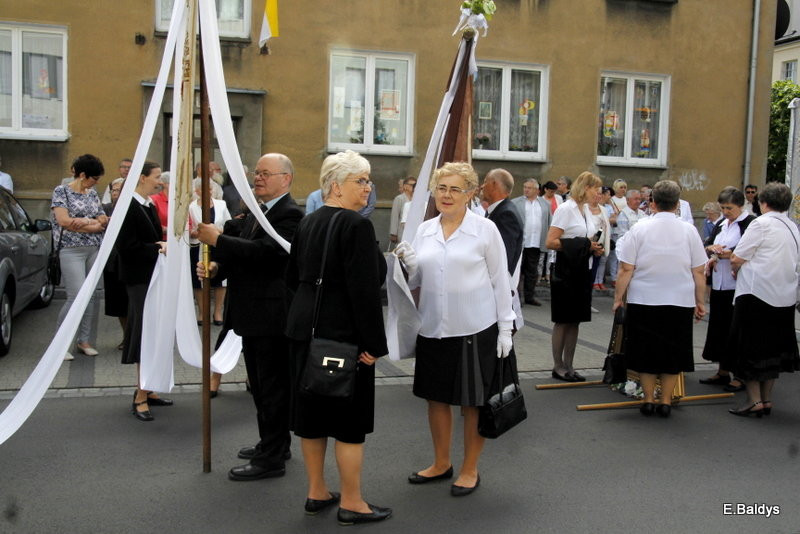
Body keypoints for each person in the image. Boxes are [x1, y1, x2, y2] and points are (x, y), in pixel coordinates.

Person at [394, 161, 516, 499]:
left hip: (475, 327)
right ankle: (441, 462)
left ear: (471, 193)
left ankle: (469, 468)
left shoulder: (485, 230)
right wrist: (410, 265)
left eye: (455, 189)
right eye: (441, 188)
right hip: (433, 326)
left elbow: (499, 279)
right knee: (436, 398)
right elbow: (418, 281)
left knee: (472, 403)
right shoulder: (425, 229)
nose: (447, 195)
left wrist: (506, 329)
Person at [284, 150, 391, 524]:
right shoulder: (356, 226)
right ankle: (352, 502)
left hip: (304, 329)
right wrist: (375, 345)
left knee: (310, 415)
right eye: (360, 181)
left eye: (368, 180)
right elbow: (365, 292)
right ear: (335, 185)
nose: (368, 188)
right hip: (343, 335)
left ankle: (316, 491)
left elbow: (292, 278)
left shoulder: (308, 221)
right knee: (350, 422)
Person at [197, 153, 302, 478]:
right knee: (260, 385)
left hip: (272, 315)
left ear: (285, 178)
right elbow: (241, 253)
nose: (258, 178)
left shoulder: (291, 215)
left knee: (271, 387)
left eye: (265, 174)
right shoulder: (258, 211)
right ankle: (274, 443)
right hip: (252, 313)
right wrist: (216, 266)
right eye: (256, 173)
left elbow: (267, 255)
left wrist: (219, 240)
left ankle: (270, 458)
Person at [612, 180, 707, 417]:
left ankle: (647, 398)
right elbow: (698, 270)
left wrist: (618, 298)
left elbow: (626, 268)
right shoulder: (689, 230)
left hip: (645, 298)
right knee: (673, 351)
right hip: (679, 299)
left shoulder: (640, 228)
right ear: (677, 204)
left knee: (646, 351)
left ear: (652, 202)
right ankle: (665, 400)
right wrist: (701, 301)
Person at [728, 182, 800, 417]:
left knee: (749, 348)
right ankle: (766, 399)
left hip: (756, 294)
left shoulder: (761, 223)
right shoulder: (792, 226)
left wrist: (735, 266)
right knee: (772, 352)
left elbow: (738, 256)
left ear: (763, 202)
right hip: (783, 296)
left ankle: (754, 400)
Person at [117, 161, 172, 421]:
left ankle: (149, 389)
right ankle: (140, 396)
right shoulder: (128, 205)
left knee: (153, 331)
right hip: (139, 279)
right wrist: (158, 247)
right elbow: (128, 247)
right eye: (157, 176)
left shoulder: (147, 204)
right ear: (141, 178)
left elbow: (150, 236)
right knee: (143, 333)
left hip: (152, 277)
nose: (160, 181)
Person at [545, 172, 604, 381]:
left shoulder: (586, 209)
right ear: (584, 187)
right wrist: (584, 244)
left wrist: (593, 247)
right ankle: (557, 365)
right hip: (565, 270)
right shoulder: (565, 209)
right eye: (595, 189)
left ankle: (570, 364)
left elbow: (584, 239)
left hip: (582, 267)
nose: (598, 193)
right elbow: (550, 242)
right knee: (563, 319)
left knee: (576, 320)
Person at [51, 154, 109, 361]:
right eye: (94, 178)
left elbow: (102, 220)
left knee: (91, 296)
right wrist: (91, 223)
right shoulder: (61, 191)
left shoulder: (92, 194)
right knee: (75, 296)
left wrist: (85, 223)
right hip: (71, 249)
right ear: (83, 175)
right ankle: (60, 343)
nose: (96, 183)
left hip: (93, 248)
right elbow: (63, 220)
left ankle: (83, 340)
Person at [699, 187, 755, 392]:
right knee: (719, 326)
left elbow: (746, 250)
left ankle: (740, 374)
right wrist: (711, 249)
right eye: (722, 207)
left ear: (740, 206)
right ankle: (722, 370)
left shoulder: (750, 223)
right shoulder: (722, 223)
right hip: (719, 282)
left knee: (736, 329)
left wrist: (726, 253)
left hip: (738, 284)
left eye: (729, 208)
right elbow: (708, 243)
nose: (725, 212)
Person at [188, 178, 231, 327]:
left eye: (210, 189)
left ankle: (218, 311)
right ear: (197, 191)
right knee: (199, 279)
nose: (209, 191)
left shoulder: (221, 204)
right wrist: (193, 232)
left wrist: (217, 230)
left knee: (221, 280)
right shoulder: (191, 207)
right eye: (205, 189)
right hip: (198, 245)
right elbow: (189, 227)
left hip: (218, 244)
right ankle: (202, 311)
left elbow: (229, 225)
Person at [512, 178, 551, 305]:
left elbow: (549, 222)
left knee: (532, 271)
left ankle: (529, 297)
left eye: (529, 188)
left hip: (536, 242)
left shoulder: (544, 204)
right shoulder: (516, 203)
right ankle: (516, 298)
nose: (526, 190)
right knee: (518, 271)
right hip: (520, 243)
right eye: (525, 187)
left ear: (537, 190)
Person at [102, 178, 128, 350]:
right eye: (114, 190)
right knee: (119, 304)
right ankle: (126, 336)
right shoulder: (104, 210)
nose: (117, 193)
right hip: (112, 261)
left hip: (129, 260)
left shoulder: (133, 207)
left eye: (120, 190)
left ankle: (133, 336)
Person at [389, 177, 416, 249]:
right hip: (401, 230)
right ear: (405, 186)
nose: (413, 187)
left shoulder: (416, 199)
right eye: (411, 185)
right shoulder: (399, 198)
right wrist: (393, 233)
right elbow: (395, 216)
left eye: (415, 185)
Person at [150, 171, 170, 239]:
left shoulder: (178, 201)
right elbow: (151, 222)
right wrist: (168, 230)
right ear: (164, 184)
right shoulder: (154, 200)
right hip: (161, 241)